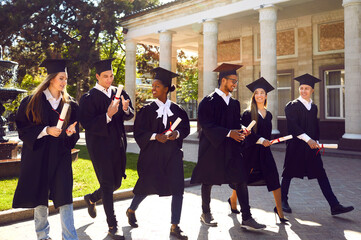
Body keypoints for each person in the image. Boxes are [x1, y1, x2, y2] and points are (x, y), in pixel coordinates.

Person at [190, 63, 266, 230]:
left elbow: (235, 124)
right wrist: (228, 133)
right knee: (207, 181)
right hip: (212, 149)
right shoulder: (207, 102)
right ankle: (206, 212)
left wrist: (241, 131)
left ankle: (246, 217)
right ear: (223, 80)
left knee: (240, 179)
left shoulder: (234, 103)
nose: (235, 84)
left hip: (231, 150)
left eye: (236, 81)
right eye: (233, 81)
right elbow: (206, 125)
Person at [13, 59, 79, 240]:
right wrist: (46, 130)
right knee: (40, 197)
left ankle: (70, 237)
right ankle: (43, 236)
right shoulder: (32, 101)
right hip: (38, 155)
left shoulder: (70, 104)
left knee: (65, 195)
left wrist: (71, 133)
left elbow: (75, 133)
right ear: (51, 79)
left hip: (60, 156)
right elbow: (22, 129)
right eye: (61, 78)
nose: (64, 82)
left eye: (66, 79)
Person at [125, 67, 190, 240]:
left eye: (157, 86)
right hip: (152, 156)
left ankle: (175, 226)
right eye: (152, 86)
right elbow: (139, 132)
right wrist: (155, 136)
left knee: (178, 189)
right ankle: (131, 210)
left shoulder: (178, 110)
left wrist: (177, 134)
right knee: (145, 186)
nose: (153, 89)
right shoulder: (146, 110)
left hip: (173, 155)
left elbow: (185, 129)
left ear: (166, 89)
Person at [281, 73, 354, 216]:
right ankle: (282, 201)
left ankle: (334, 205)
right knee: (288, 173)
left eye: (306, 88)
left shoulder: (313, 107)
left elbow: (315, 126)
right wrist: (308, 140)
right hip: (296, 146)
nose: (303, 91)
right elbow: (293, 127)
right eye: (301, 88)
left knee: (321, 174)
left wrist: (317, 142)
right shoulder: (291, 106)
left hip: (312, 147)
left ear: (312, 91)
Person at [79, 58, 134, 240]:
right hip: (99, 146)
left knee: (116, 183)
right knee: (108, 185)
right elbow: (87, 123)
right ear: (97, 76)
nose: (109, 80)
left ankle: (92, 198)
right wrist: (108, 115)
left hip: (117, 144)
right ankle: (113, 226)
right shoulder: (89, 98)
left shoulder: (119, 92)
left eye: (111, 76)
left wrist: (126, 109)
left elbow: (129, 114)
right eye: (105, 76)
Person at [228, 77, 288, 223]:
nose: (259, 95)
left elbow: (266, 134)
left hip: (265, 153)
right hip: (250, 152)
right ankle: (232, 200)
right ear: (253, 96)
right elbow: (247, 135)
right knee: (242, 181)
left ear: (266, 96)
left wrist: (267, 142)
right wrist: (261, 140)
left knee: (274, 180)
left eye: (262, 92)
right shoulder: (248, 114)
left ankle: (280, 214)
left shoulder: (269, 115)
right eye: (257, 93)